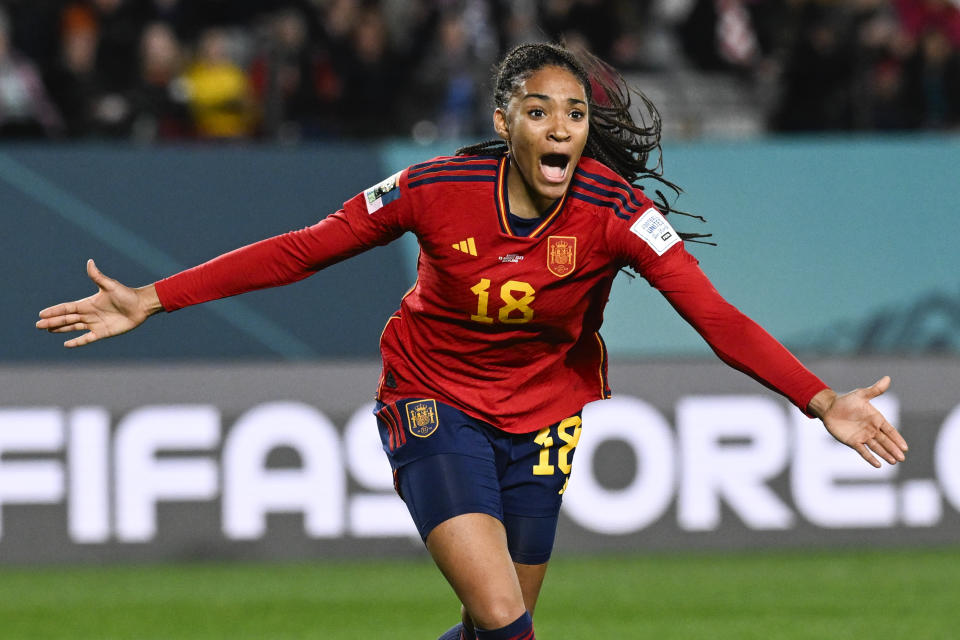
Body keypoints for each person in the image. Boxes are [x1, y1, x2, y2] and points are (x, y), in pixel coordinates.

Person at [36, 42, 908, 640]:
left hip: (543, 422)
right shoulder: (429, 189)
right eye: (540, 111)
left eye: (574, 112)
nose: (561, 125)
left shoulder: (620, 216)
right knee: (500, 610)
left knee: (501, 625)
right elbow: (302, 250)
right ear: (507, 121)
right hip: (432, 400)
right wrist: (155, 296)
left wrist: (820, 398)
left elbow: (715, 318)